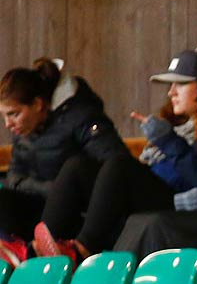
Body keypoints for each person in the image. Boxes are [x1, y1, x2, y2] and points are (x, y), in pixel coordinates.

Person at [31, 49, 197, 261]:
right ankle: (37, 250)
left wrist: (169, 142)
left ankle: (82, 249)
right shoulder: (174, 123)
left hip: (181, 201)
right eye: (170, 85)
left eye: (180, 84)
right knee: (77, 166)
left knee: (120, 166)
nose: (171, 92)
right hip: (160, 190)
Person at [0, 57, 134, 266]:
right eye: (4, 116)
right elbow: (14, 176)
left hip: (78, 212)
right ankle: (16, 254)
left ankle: (37, 254)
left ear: (37, 104)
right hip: (42, 204)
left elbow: (115, 165)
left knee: (75, 168)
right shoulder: (24, 128)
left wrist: (58, 191)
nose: (8, 124)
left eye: (14, 114)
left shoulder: (82, 116)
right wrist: (47, 189)